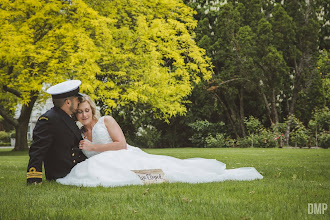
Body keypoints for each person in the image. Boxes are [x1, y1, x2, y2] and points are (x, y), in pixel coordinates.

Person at [56, 95, 263, 187]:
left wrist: (94, 147)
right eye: (80, 112)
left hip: (123, 157)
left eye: (86, 110)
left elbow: (122, 145)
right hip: (102, 166)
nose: (84, 114)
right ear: (76, 115)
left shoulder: (106, 121)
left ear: (91, 110)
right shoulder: (79, 133)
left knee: (161, 173)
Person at [27, 80, 87, 184]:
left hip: (75, 171)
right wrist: (34, 179)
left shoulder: (66, 117)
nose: (78, 102)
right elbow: (37, 150)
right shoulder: (48, 119)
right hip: (62, 175)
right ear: (68, 102)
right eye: (77, 99)